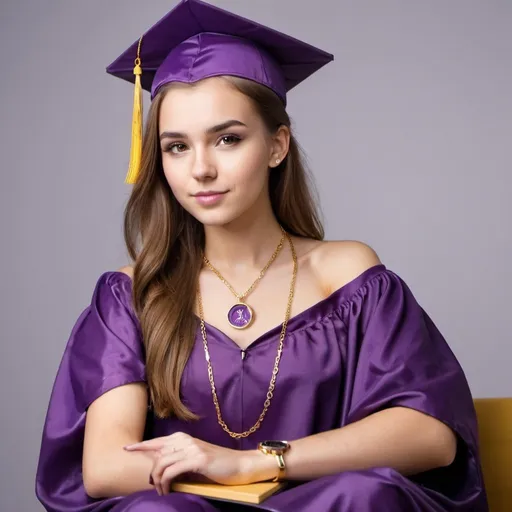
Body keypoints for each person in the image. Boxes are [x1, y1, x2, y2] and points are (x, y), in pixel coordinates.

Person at [35, 0, 488, 510]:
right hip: (188, 506)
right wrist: (223, 485)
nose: (200, 169)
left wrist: (252, 462)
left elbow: (428, 434)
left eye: (227, 139)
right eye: (176, 146)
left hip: (322, 503)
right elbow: (107, 466)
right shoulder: (133, 295)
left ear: (277, 146)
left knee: (365, 493)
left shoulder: (347, 276)